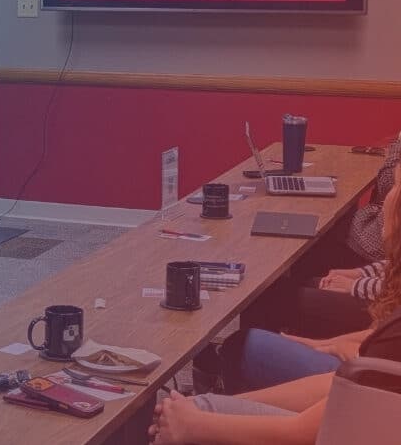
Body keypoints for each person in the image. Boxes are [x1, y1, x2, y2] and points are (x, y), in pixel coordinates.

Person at [149, 163, 401, 444]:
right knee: (200, 406)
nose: (386, 199)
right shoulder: (386, 343)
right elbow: (339, 386)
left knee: (193, 413)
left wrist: (198, 421)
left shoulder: (389, 342)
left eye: (395, 188)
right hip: (352, 412)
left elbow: (310, 428)